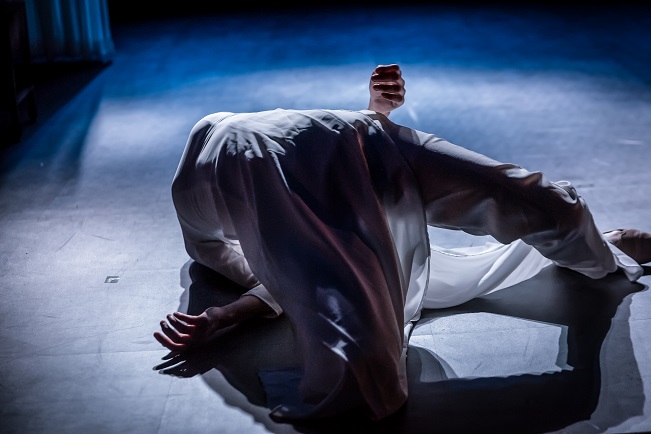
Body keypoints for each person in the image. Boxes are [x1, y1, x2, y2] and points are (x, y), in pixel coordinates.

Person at [154, 64, 650, 422]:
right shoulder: (233, 215)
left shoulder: (222, 193)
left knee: (545, 204)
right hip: (316, 165)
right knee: (362, 371)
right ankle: (608, 247)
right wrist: (226, 315)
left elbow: (281, 269)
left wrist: (374, 115)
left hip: (356, 141)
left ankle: (604, 249)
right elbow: (281, 276)